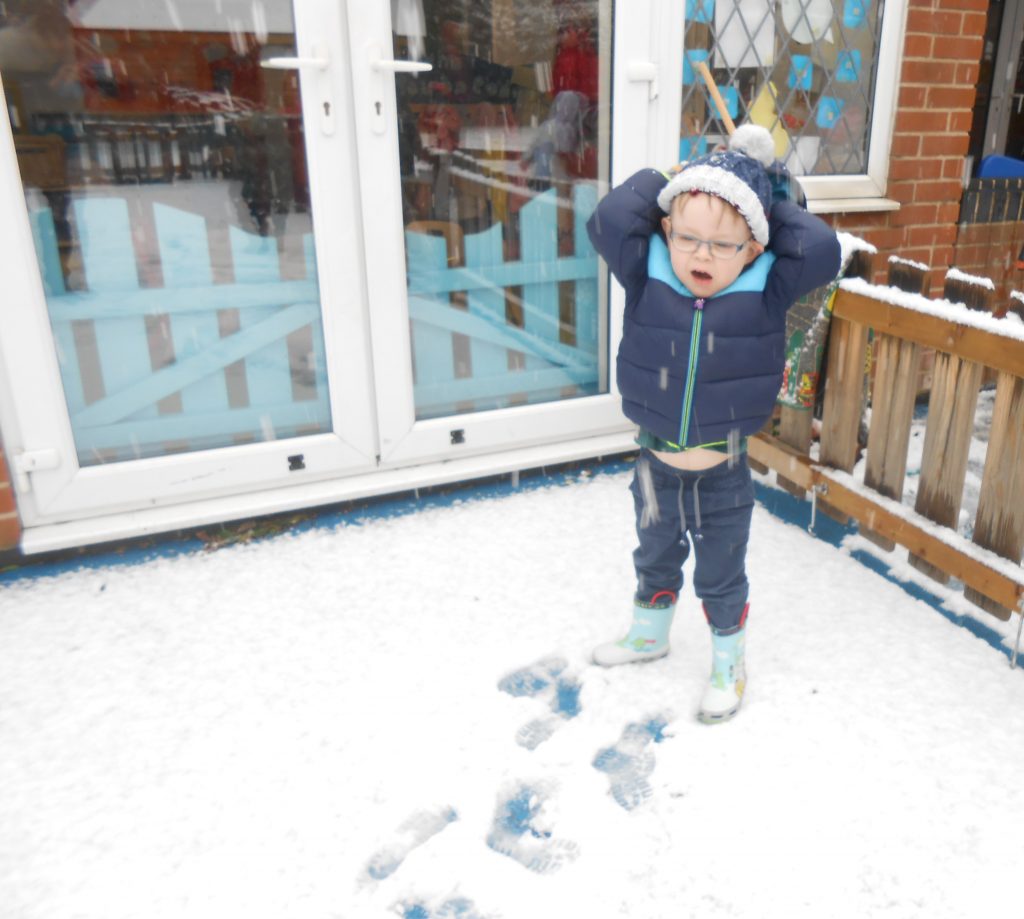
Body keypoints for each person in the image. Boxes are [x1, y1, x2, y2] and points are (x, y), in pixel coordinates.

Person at [586, 124, 841, 723]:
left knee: (721, 575)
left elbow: (821, 249)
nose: (701, 254)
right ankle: (649, 634)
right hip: (654, 466)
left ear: (753, 248)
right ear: (666, 231)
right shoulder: (646, 275)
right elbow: (611, 217)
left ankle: (729, 664)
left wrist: (768, 191)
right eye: (688, 237)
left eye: (722, 244)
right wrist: (676, 178)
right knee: (654, 554)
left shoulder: (766, 290)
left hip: (722, 476)